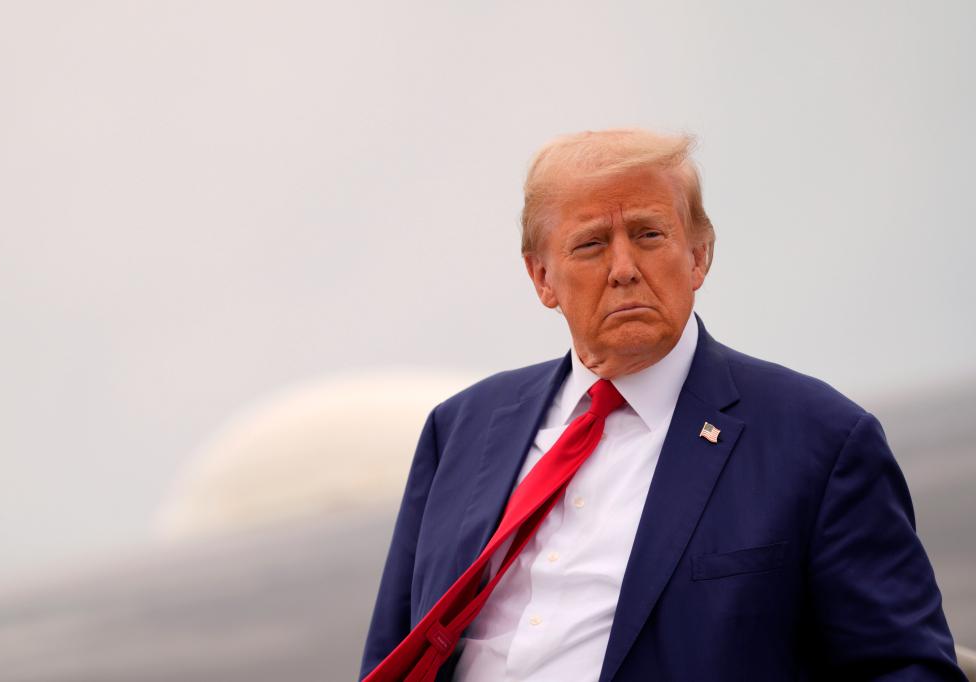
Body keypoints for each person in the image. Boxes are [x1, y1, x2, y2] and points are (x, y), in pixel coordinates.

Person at [359, 128, 966, 681]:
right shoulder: (460, 430)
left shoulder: (821, 441)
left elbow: (907, 667)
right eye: (591, 245)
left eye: (649, 235)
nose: (624, 268)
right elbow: (392, 655)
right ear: (541, 277)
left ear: (699, 255)